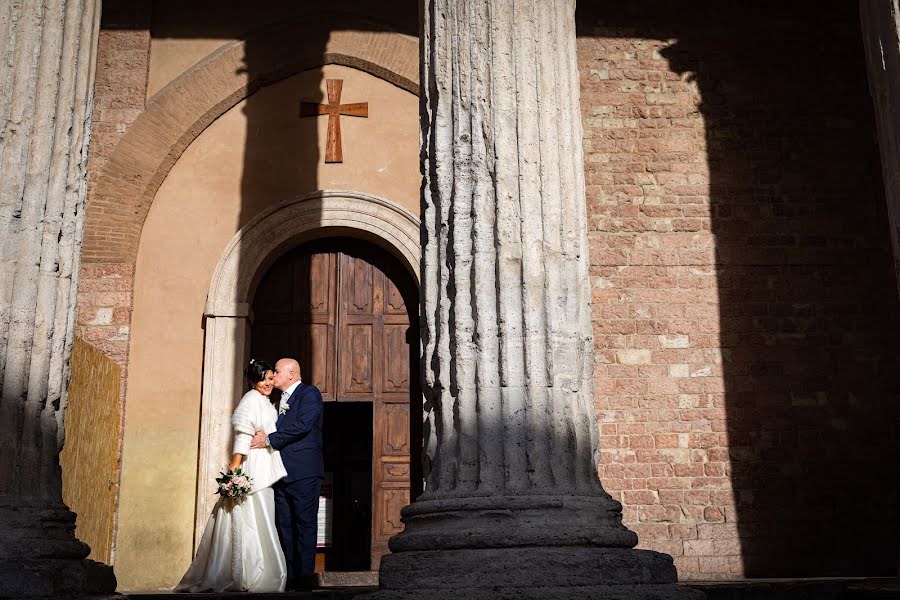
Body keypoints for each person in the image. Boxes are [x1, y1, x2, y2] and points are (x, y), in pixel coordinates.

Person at [174, 359, 287, 593]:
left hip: (264, 464)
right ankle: (253, 571)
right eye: (262, 379)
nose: (267, 383)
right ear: (252, 380)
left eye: (269, 378)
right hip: (253, 466)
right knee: (257, 517)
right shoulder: (250, 401)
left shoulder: (266, 401)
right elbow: (243, 435)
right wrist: (234, 468)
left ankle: (260, 568)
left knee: (260, 517)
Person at [250, 357, 323, 591]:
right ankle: (288, 575)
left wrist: (269, 439)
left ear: (292, 374)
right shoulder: (277, 400)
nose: (273, 375)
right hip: (280, 474)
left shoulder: (309, 394)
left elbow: (303, 425)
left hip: (303, 472)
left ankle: (304, 577)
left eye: (278, 372)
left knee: (305, 523)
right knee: (285, 525)